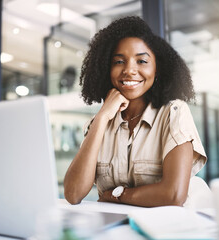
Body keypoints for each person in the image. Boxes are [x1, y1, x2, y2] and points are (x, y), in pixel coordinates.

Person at [64, 16, 207, 207]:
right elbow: (73, 194)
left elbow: (173, 194)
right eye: (119, 62)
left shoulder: (173, 113)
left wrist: (118, 195)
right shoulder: (98, 124)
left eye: (141, 61)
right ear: (106, 68)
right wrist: (102, 117)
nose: (130, 70)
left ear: (158, 69)